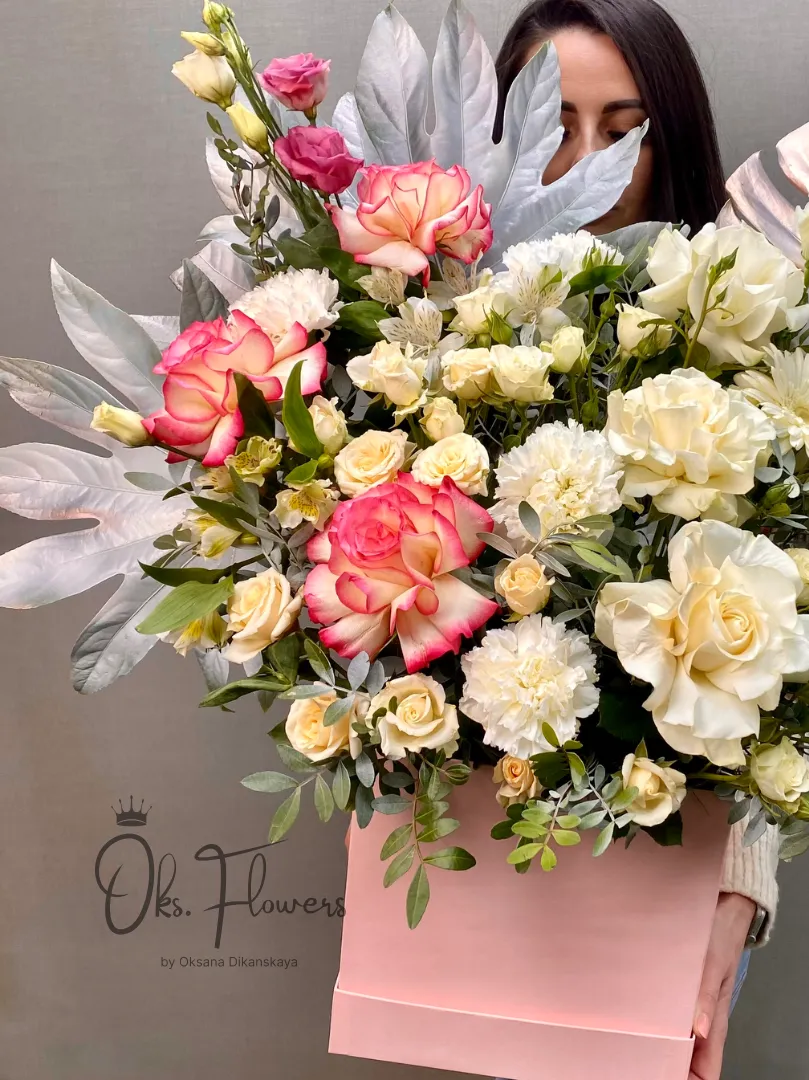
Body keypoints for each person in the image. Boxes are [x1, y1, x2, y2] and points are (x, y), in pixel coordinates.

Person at [490, 2, 780, 1078]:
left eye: (624, 131)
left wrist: (738, 896)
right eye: (552, 126)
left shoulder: (741, 342)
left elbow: (778, 657)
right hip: (482, 861)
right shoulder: (437, 329)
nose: (587, 165)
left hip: (675, 876)